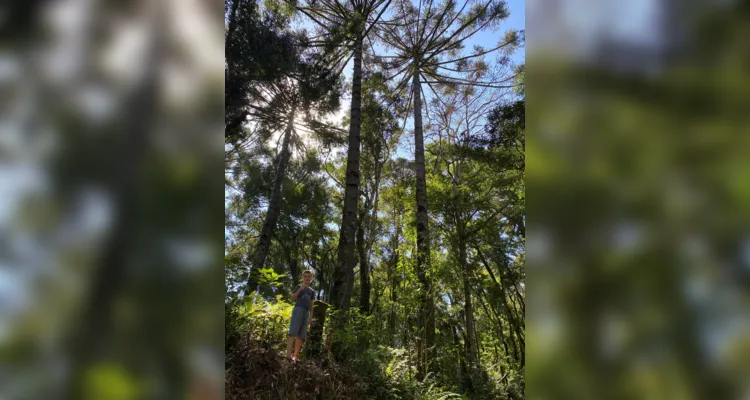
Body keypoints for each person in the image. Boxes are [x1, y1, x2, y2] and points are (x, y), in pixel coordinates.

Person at [286, 270, 315, 364]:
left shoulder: (312, 291)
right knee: (293, 332)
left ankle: (295, 357)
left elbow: (311, 305)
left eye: (309, 276)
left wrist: (310, 317)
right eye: (305, 276)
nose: (307, 278)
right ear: (302, 277)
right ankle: (288, 357)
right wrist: (300, 289)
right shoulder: (298, 286)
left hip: (306, 312)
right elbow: (293, 298)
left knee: (301, 335)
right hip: (298, 309)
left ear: (311, 278)